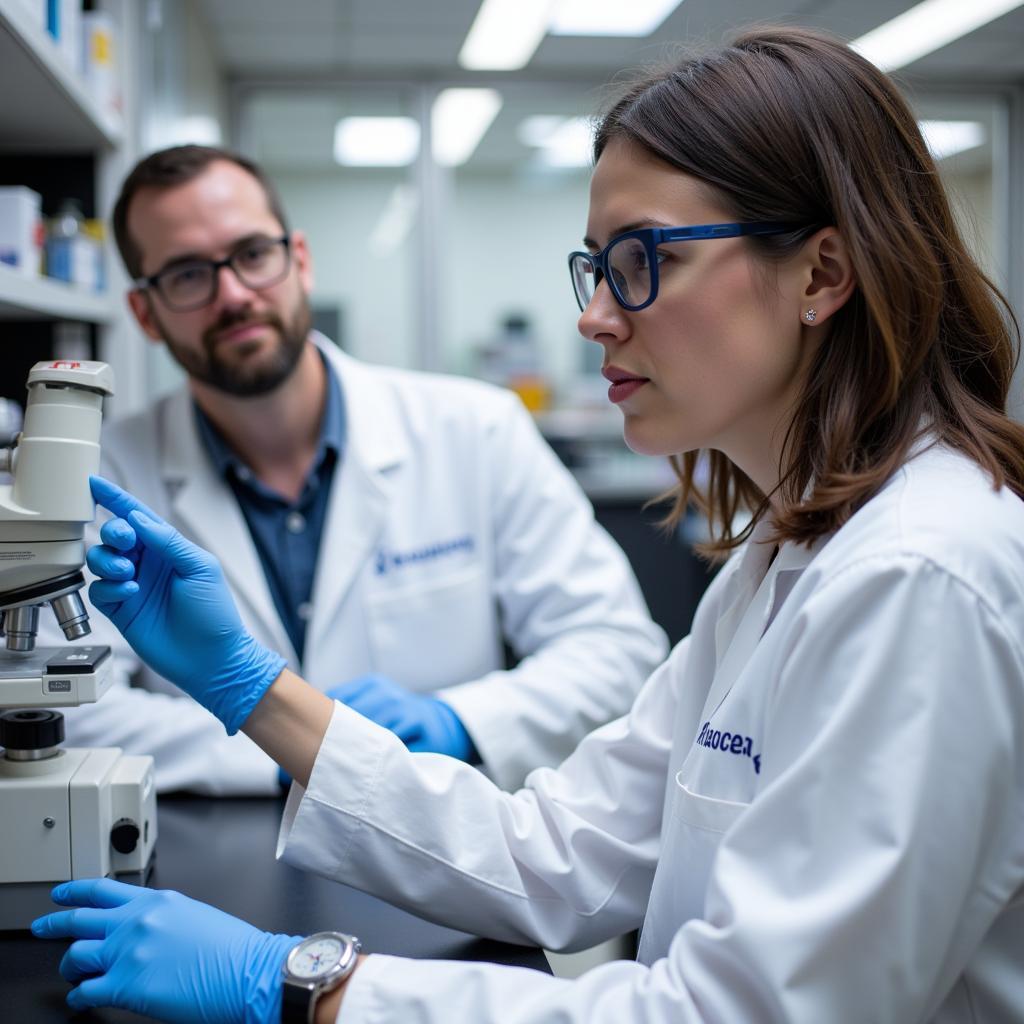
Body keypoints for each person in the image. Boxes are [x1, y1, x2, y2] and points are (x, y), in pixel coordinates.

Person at [33, 25, 1024, 1024]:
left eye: (638, 261)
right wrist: (252, 689)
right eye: (594, 266)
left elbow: (735, 1014)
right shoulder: (786, 559)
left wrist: (305, 986)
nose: (594, 315)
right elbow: (550, 852)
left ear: (819, 275)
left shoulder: (917, 575)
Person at [48, 143, 667, 794]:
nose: (232, 295)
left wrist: (457, 718)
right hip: (216, 853)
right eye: (186, 275)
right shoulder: (103, 474)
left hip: (444, 845)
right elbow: (67, 708)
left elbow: (614, 651)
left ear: (300, 261)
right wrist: (310, 745)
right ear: (145, 313)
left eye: (253, 255)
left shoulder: (474, 428)